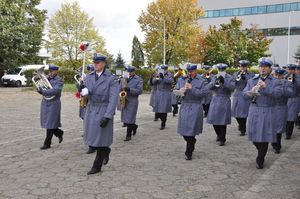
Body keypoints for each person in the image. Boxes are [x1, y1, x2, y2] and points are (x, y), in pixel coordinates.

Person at [79, 54, 118, 175]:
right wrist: (81, 89)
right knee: (93, 137)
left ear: (104, 64)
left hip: (103, 109)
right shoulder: (89, 77)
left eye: (98, 63)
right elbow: (87, 93)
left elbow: (113, 98)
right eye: (94, 62)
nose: (95, 64)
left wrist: (108, 115)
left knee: (101, 138)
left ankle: (97, 166)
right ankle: (106, 150)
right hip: (92, 108)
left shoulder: (111, 78)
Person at [243, 57, 282, 169]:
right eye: (261, 66)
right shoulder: (252, 80)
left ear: (270, 69)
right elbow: (244, 94)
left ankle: (260, 158)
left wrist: (266, 88)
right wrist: (251, 92)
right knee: (255, 137)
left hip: (268, 110)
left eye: (265, 67)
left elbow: (278, 94)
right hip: (254, 110)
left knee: (264, 136)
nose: (263, 69)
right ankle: (260, 152)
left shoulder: (275, 81)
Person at [175, 64, 209, 160]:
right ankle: (192, 141)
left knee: (191, 129)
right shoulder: (182, 79)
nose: (190, 73)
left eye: (192, 71)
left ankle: (188, 152)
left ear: (195, 71)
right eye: (189, 71)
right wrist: (179, 91)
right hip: (185, 105)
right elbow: (175, 92)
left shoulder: (202, 80)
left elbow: (204, 93)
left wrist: (192, 88)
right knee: (184, 130)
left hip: (195, 105)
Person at [206, 63, 235, 146]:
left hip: (225, 98)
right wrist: (214, 82)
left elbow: (233, 87)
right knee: (214, 120)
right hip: (215, 98)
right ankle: (218, 135)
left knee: (223, 120)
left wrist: (224, 82)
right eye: (219, 70)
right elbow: (208, 87)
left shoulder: (230, 77)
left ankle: (222, 138)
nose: (221, 71)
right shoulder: (214, 77)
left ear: (225, 70)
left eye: (222, 70)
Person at [37, 65, 64, 150]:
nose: (50, 72)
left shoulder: (59, 80)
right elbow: (41, 87)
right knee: (48, 122)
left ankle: (47, 143)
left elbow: (56, 90)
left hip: (54, 103)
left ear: (56, 71)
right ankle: (59, 132)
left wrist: (44, 91)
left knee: (50, 123)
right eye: (50, 71)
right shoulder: (47, 78)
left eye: (52, 71)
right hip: (45, 102)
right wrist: (39, 89)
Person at [271, 68, 295, 154]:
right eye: (276, 75)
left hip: (281, 107)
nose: (277, 77)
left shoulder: (287, 82)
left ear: (282, 75)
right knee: (271, 126)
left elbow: (290, 93)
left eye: (279, 75)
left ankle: (277, 146)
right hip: (271, 107)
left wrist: (282, 87)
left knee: (279, 128)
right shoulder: (271, 82)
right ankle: (273, 143)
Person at [119, 66, 143, 141]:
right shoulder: (123, 78)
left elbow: (139, 91)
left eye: (130, 72)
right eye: (127, 72)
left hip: (132, 100)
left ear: (133, 72)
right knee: (126, 118)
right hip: (124, 99)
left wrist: (129, 89)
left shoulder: (138, 79)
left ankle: (128, 135)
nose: (129, 73)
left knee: (130, 118)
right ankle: (134, 126)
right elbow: (119, 87)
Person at [77, 64, 97, 154]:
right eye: (89, 70)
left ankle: (94, 145)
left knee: (93, 125)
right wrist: (80, 87)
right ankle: (91, 145)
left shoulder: (97, 79)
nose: (89, 72)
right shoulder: (87, 78)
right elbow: (80, 91)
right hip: (86, 103)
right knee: (87, 122)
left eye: (91, 70)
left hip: (95, 104)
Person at [231, 60, 255, 136]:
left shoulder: (251, 74)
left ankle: (242, 129)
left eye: (244, 66)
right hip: (237, 94)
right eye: (241, 66)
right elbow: (232, 83)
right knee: (236, 112)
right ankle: (240, 124)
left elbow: (252, 83)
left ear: (246, 66)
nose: (243, 68)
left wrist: (245, 78)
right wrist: (236, 78)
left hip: (245, 93)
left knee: (243, 112)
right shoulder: (236, 73)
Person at [151, 65, 174, 130]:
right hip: (158, 94)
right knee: (158, 110)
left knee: (164, 110)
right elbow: (153, 82)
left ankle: (163, 123)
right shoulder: (158, 74)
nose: (163, 71)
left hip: (165, 94)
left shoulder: (170, 75)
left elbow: (170, 81)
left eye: (164, 70)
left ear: (166, 69)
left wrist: (163, 77)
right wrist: (156, 78)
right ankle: (161, 119)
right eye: (162, 69)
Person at [286, 64, 300, 139]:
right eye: (289, 69)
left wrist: (295, 81)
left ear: (295, 70)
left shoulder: (298, 77)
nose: (290, 71)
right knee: (284, 116)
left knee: (291, 117)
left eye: (292, 69)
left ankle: (288, 134)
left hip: (294, 98)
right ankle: (284, 130)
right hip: (285, 99)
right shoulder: (285, 76)